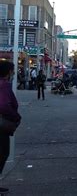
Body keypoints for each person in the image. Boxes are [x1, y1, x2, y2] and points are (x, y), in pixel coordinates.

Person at [0, 61, 22, 194]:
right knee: (2, 153)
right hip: (1, 125)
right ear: (8, 72)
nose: (14, 73)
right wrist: (15, 116)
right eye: (12, 71)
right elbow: (3, 105)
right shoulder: (4, 85)